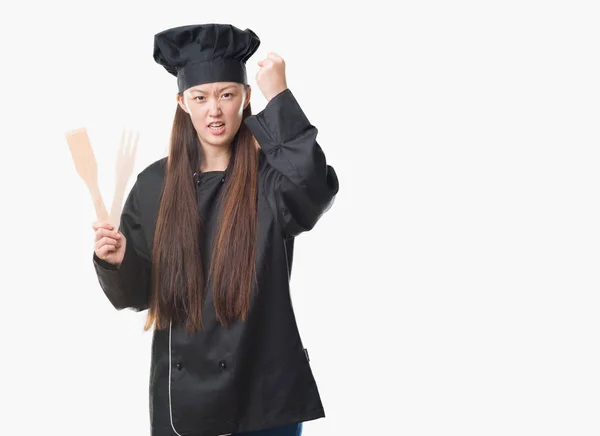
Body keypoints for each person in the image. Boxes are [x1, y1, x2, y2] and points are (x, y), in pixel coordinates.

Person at [91, 23, 339, 436]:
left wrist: (280, 98)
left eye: (227, 94)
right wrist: (116, 262)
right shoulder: (155, 184)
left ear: (246, 97)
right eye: (200, 97)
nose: (214, 110)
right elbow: (137, 295)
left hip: (265, 395)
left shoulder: (272, 177)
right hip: (187, 406)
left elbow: (313, 191)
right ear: (182, 103)